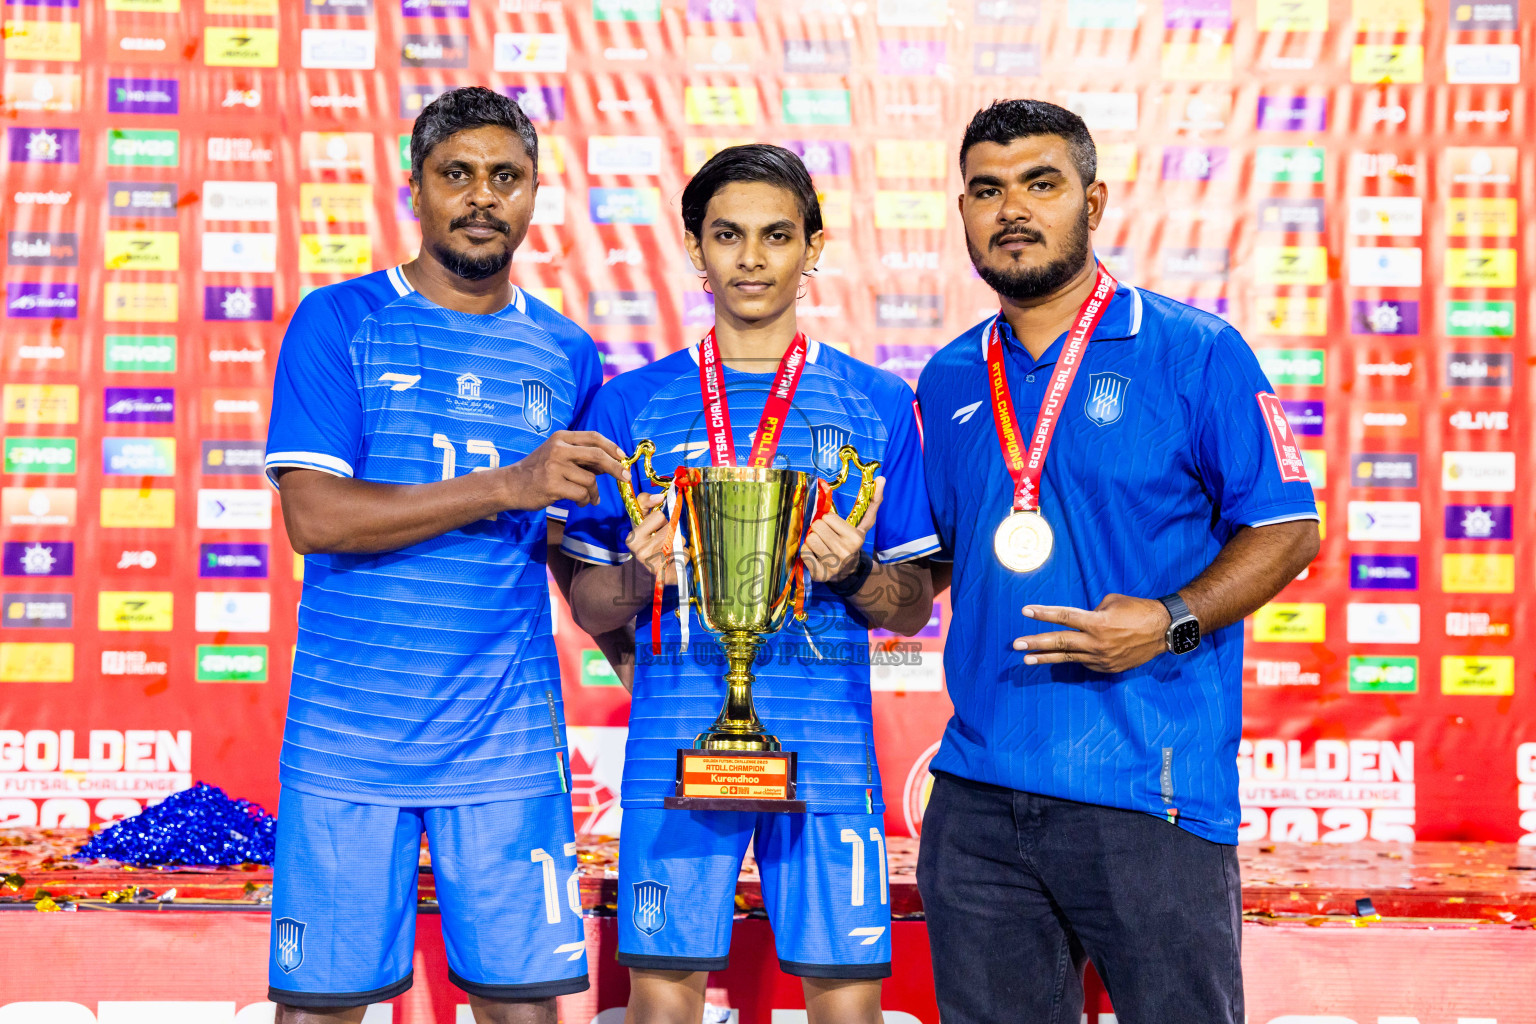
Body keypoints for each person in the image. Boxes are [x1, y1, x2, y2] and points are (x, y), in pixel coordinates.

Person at [915, 99, 1320, 1023]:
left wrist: (1168, 620)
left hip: (1148, 793)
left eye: (1041, 184)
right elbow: (929, 569)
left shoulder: (1196, 351)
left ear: (1092, 202)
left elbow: (1288, 527)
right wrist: (840, 565)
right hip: (977, 799)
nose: (1013, 210)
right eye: (988, 190)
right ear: (965, 211)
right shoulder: (947, 377)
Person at [262, 87, 630, 1023]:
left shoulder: (566, 351)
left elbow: (573, 558)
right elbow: (315, 516)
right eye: (456, 173)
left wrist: (645, 601)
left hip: (506, 742)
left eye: (506, 177)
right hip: (348, 739)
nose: (481, 197)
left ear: (534, 193)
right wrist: (506, 483)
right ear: (416, 187)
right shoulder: (338, 320)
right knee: (319, 1011)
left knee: (525, 1008)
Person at [561, 144, 939, 1024]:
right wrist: (639, 572)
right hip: (676, 740)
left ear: (814, 246)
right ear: (697, 246)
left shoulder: (876, 402)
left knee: (846, 1002)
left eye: (777, 235)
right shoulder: (631, 405)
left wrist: (855, 570)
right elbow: (587, 603)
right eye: (728, 235)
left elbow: (914, 605)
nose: (753, 259)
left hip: (828, 746)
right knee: (662, 997)